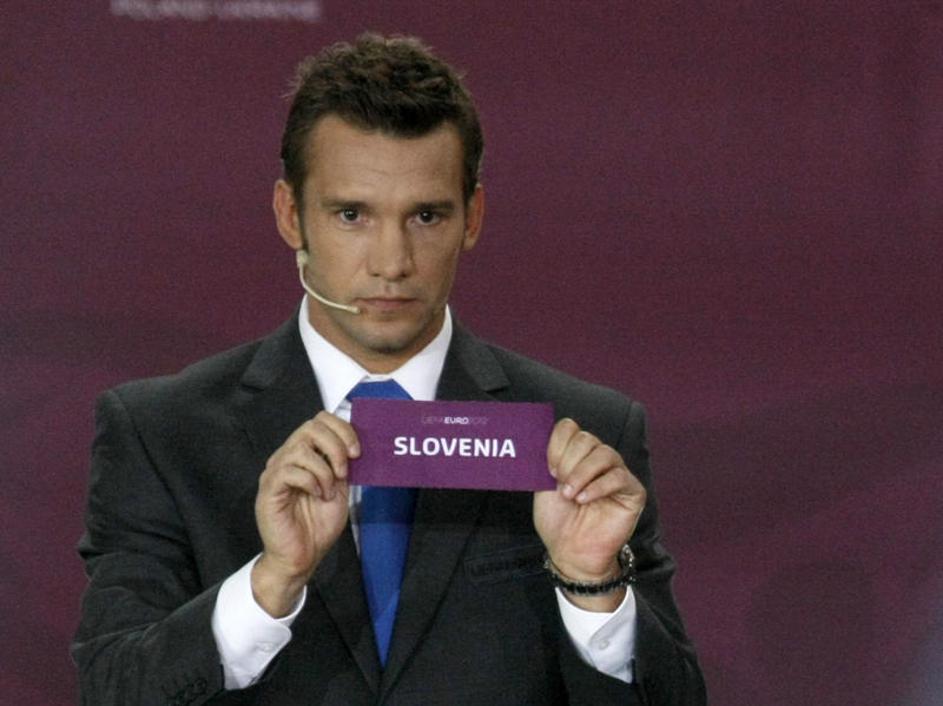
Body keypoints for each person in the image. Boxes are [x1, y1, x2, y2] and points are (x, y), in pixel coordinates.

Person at [72, 34, 706, 705]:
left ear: (472, 217)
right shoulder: (162, 433)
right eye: (352, 215)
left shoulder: (582, 434)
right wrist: (270, 583)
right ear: (291, 215)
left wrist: (591, 585)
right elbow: (114, 690)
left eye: (426, 216)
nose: (392, 262)